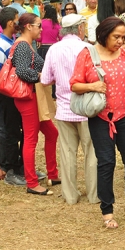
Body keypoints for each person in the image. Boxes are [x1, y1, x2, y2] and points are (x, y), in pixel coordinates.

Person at [70, 18, 125, 229]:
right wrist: (92, 85)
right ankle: (107, 210)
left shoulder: (124, 54)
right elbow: (74, 85)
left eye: (124, 37)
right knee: (106, 162)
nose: (121, 41)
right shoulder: (87, 54)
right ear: (104, 34)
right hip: (101, 117)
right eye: (117, 37)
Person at [41, 15, 98, 205]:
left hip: (64, 108)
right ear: (80, 28)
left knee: (67, 152)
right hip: (87, 108)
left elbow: (45, 79)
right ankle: (93, 195)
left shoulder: (54, 49)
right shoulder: (88, 48)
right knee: (91, 152)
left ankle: (70, 195)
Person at [11, 13, 59, 194]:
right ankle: (32, 183)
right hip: (27, 97)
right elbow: (23, 71)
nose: (41, 28)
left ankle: (52, 174)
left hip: (31, 97)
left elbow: (42, 65)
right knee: (31, 139)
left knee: (51, 133)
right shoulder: (23, 46)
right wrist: (41, 77)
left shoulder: (26, 45)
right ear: (28, 27)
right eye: (39, 25)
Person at [0, 8, 26, 186]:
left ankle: (12, 163)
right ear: (10, 23)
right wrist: (11, 74)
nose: (19, 24)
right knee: (5, 129)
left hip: (9, 93)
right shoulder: (2, 44)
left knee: (12, 128)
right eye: (17, 20)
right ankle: (4, 165)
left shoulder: (12, 40)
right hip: (2, 94)